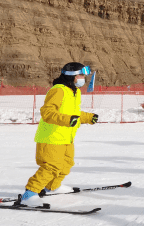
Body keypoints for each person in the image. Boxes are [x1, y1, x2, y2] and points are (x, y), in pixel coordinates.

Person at [18, 62, 98, 206]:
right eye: (80, 75)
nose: (83, 78)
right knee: (51, 166)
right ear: (72, 76)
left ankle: (53, 187)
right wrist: (68, 120)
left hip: (66, 137)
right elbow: (47, 112)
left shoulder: (74, 92)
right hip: (51, 137)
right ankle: (29, 194)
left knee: (66, 164)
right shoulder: (58, 90)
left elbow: (73, 113)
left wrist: (88, 117)